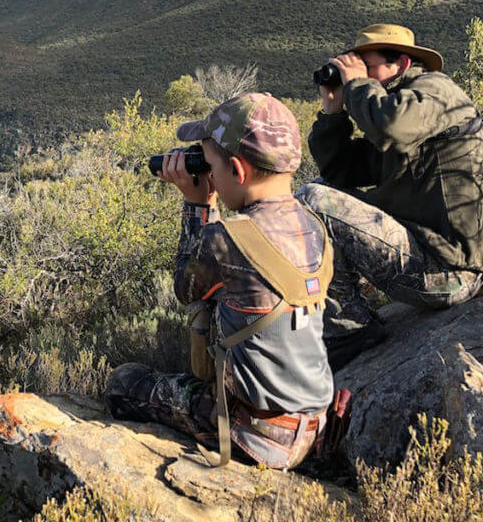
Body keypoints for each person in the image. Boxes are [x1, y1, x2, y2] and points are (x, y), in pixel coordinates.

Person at [105, 93, 334, 470]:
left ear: (239, 172)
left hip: (256, 438)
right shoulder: (315, 227)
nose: (209, 176)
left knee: (124, 382)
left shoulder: (227, 240)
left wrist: (197, 204)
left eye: (211, 166)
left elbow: (185, 287)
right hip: (313, 431)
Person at [296, 24, 483, 371]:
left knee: (313, 199)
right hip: (427, 258)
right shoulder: (403, 108)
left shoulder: (435, 92)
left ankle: (350, 330)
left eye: (367, 65)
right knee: (316, 191)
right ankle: (346, 318)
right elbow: (342, 172)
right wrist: (332, 113)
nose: (357, 74)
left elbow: (390, 125)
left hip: (451, 271)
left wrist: (358, 85)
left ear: (402, 63)